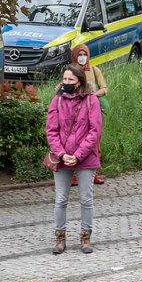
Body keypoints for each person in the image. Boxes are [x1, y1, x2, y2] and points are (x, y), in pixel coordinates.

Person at [46, 64, 103, 254]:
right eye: (65, 79)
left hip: (85, 158)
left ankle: (85, 237)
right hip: (62, 158)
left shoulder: (91, 100)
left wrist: (78, 156)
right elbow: (51, 131)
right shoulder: (57, 101)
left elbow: (95, 131)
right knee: (60, 199)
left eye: (71, 79)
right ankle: (60, 237)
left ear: (79, 81)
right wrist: (62, 154)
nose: (67, 83)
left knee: (86, 199)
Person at [69, 43, 108, 185]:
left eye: (85, 54)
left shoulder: (94, 70)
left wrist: (92, 95)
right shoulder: (71, 71)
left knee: (95, 142)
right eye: (79, 55)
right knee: (75, 142)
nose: (82, 57)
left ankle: (95, 173)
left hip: (93, 110)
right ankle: (74, 175)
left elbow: (104, 88)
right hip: (76, 111)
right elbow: (64, 87)